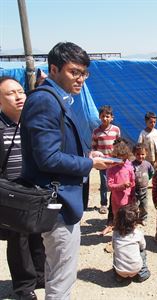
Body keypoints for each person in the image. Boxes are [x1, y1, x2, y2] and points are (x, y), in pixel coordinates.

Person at [20, 42, 114, 299]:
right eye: (75, 72)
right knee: (62, 280)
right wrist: (88, 164)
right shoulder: (46, 101)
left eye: (84, 73)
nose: (81, 79)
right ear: (53, 69)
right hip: (57, 204)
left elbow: (53, 148)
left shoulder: (56, 98)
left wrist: (85, 155)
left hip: (58, 200)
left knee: (56, 272)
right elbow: (47, 158)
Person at [0, 77, 45, 300]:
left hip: (35, 190)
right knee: (18, 240)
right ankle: (24, 287)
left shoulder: (33, 122)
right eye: (10, 93)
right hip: (11, 193)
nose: (18, 97)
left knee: (38, 233)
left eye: (20, 91)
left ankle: (40, 275)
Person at [101, 138, 135, 235]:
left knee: (128, 219)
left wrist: (133, 195)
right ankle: (117, 239)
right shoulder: (111, 169)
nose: (122, 161)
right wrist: (121, 186)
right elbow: (110, 186)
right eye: (120, 158)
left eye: (124, 158)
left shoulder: (129, 166)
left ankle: (127, 236)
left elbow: (133, 182)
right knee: (118, 220)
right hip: (117, 200)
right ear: (115, 156)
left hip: (128, 199)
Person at [91, 105, 121, 214]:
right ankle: (103, 204)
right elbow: (94, 147)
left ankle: (115, 203)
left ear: (112, 117)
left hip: (114, 161)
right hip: (102, 161)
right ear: (99, 117)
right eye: (103, 116)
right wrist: (95, 158)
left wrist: (119, 157)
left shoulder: (116, 130)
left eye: (107, 116)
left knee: (115, 182)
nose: (105, 118)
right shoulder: (96, 132)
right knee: (104, 183)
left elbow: (119, 145)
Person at [112, 204, 150, 283]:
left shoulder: (115, 233)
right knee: (142, 252)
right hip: (135, 269)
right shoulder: (137, 233)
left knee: (116, 252)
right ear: (134, 221)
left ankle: (119, 276)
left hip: (120, 271)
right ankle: (142, 273)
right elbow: (143, 246)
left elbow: (113, 246)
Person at [132, 143, 154, 225]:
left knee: (144, 205)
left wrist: (147, 179)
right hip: (134, 189)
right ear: (134, 154)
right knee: (134, 205)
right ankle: (133, 219)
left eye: (142, 154)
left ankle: (143, 218)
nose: (140, 156)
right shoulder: (132, 165)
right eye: (138, 154)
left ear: (146, 154)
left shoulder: (147, 164)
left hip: (144, 189)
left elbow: (152, 173)